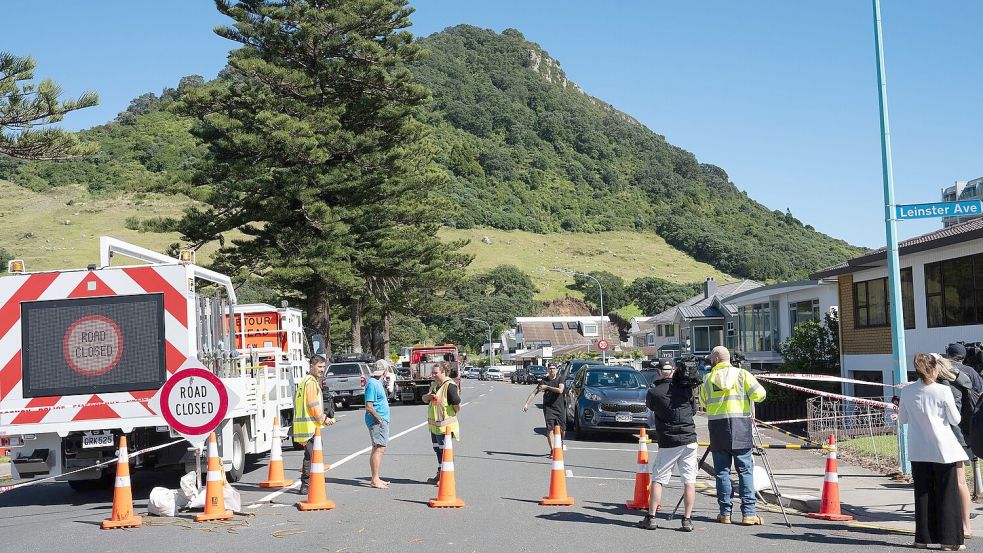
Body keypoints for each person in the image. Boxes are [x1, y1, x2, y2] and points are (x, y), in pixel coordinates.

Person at [898, 353, 967, 551]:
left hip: (918, 449)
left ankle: (922, 538)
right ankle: (949, 540)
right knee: (947, 493)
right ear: (935, 368)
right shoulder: (943, 391)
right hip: (943, 449)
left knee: (922, 494)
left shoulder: (907, 391)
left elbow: (902, 419)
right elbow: (955, 420)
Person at [698, 345, 766, 525]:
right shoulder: (743, 375)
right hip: (740, 428)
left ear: (715, 360)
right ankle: (749, 514)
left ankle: (725, 513)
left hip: (718, 429)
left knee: (722, 473)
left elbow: (703, 402)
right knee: (745, 471)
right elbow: (760, 395)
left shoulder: (707, 378)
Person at [638, 360, 700, 532]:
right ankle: (687, 520)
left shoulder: (653, 392)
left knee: (658, 479)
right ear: (673, 371)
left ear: (658, 372)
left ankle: (651, 518)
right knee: (689, 481)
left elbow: (651, 408)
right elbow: (694, 410)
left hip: (668, 440)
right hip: (689, 439)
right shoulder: (686, 388)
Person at [933, 354, 975, 539]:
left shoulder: (941, 387)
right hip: (963, 436)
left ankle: (953, 524)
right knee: (961, 482)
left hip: (947, 437)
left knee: (948, 482)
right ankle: (966, 526)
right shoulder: (962, 379)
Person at [293, 354, 335, 494]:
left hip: (306, 426)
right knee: (312, 456)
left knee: (310, 455)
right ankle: (306, 484)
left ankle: (310, 483)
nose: (322, 370)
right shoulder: (310, 382)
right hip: (310, 427)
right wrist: (324, 418)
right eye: (319, 367)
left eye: (323, 367)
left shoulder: (305, 381)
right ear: (311, 366)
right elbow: (312, 405)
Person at [422, 361, 462, 484]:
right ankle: (440, 473)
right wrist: (428, 397)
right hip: (435, 427)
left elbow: (457, 404)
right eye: (432, 372)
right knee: (438, 450)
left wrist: (451, 415)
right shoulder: (435, 385)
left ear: (444, 372)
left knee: (446, 452)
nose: (433, 375)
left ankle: (447, 477)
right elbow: (425, 399)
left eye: (435, 373)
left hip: (445, 427)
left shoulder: (450, 386)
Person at [522, 363, 566, 455]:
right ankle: (553, 450)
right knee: (549, 429)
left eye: (554, 368)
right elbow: (534, 393)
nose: (552, 370)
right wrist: (526, 404)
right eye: (550, 368)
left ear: (557, 370)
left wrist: (547, 387)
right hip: (548, 407)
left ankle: (560, 442)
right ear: (547, 370)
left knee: (562, 429)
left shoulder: (560, 378)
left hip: (559, 407)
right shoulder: (544, 381)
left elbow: (560, 390)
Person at [365, 359, 391, 489]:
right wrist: (379, 419)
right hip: (377, 421)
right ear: (384, 370)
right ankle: (375, 479)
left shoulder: (377, 383)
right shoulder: (373, 384)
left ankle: (376, 477)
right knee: (379, 448)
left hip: (380, 420)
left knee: (378, 448)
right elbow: (369, 406)